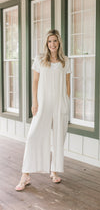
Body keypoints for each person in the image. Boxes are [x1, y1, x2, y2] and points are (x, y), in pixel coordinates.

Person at [15, 29, 71, 191]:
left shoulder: (65, 61)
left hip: (60, 104)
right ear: (46, 43)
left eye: (55, 41)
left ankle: (54, 171)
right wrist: (35, 103)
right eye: (49, 41)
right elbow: (35, 82)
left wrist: (66, 101)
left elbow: (67, 83)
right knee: (33, 136)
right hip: (43, 104)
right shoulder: (40, 60)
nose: (52, 44)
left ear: (59, 42)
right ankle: (25, 175)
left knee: (58, 138)